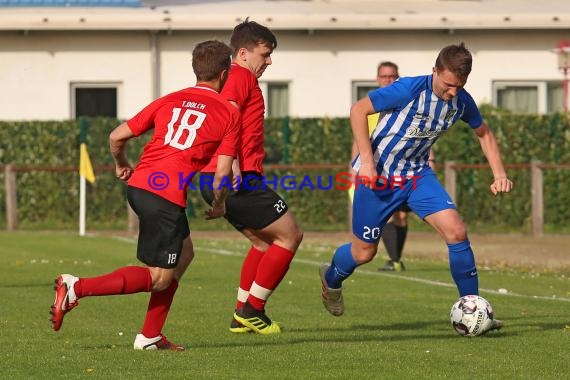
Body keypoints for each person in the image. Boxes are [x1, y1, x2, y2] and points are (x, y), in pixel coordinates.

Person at [50, 40, 240, 350]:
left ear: (196, 70)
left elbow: (116, 136)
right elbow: (222, 175)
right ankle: (76, 287)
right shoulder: (229, 113)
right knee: (160, 278)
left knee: (185, 253)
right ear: (224, 74)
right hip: (163, 195)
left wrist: (121, 162)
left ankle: (151, 336)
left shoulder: (170, 100)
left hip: (140, 185)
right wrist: (220, 204)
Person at [320, 43, 512, 333]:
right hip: (380, 177)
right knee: (364, 253)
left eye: (459, 86)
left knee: (457, 231)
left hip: (417, 176)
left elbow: (483, 133)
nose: (453, 92)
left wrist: (499, 173)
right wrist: (368, 163)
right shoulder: (408, 89)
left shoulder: (461, 101)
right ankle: (331, 279)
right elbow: (359, 110)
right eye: (448, 85)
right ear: (435, 70)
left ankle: (474, 311)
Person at [200, 19, 303, 335]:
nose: (269, 61)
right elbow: (226, 114)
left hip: (219, 177)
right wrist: (229, 163)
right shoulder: (241, 77)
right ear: (243, 53)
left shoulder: (237, 77)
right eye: (265, 53)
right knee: (290, 236)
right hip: (235, 178)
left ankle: (240, 313)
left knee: (262, 244)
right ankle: (253, 310)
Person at [350, 61, 435, 272]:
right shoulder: (369, 107)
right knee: (387, 214)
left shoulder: (407, 102)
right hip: (377, 170)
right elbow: (359, 140)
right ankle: (393, 258)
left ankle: (396, 258)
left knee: (402, 215)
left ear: (397, 77)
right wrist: (354, 168)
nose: (387, 79)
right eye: (384, 76)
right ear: (377, 79)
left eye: (392, 76)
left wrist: (430, 160)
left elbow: (421, 136)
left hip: (405, 170)